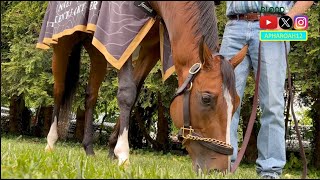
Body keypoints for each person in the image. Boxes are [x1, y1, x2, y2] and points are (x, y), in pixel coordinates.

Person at [219, 1, 315, 179]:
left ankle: (270, 171)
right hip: (234, 25)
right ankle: (222, 165)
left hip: (272, 24)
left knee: (272, 103)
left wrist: (287, 21)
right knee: (225, 102)